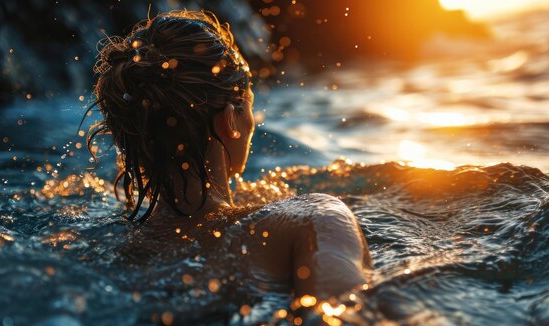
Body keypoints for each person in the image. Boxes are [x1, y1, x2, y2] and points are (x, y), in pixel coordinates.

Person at [88, 11, 371, 298]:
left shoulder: (101, 244)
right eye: (249, 106)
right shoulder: (311, 218)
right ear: (230, 121)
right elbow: (344, 319)